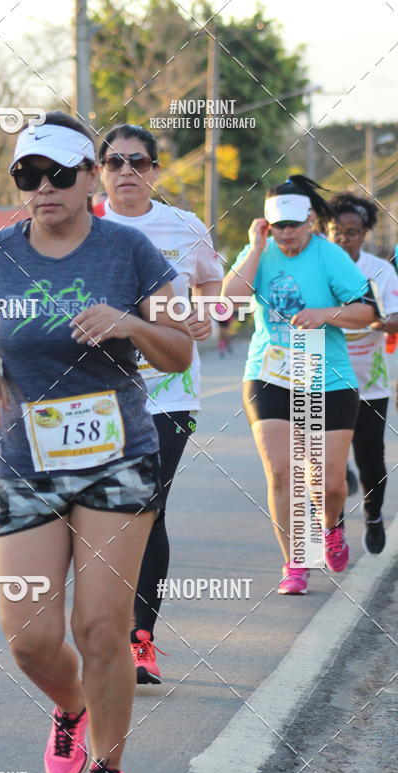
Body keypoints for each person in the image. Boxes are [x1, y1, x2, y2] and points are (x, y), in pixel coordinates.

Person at [0, 112, 192, 773]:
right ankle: (72, 706)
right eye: (28, 175)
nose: (44, 187)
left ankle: (109, 770)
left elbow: (178, 349)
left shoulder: (129, 252)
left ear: (90, 177)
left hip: (118, 456)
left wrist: (131, 324)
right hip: (25, 460)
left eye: (59, 173)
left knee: (99, 627)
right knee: (29, 639)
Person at [97, 123, 223, 683]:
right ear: (98, 172)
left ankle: (139, 638)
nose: (127, 171)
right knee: (105, 514)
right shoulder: (84, 227)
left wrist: (205, 315)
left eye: (138, 162)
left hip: (171, 393)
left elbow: (213, 289)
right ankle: (103, 628)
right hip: (99, 395)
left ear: (154, 170)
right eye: (115, 162)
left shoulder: (185, 227)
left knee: (148, 508)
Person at [223, 175, 375, 595]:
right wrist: (255, 248)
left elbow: (366, 312)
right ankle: (296, 561)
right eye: (278, 226)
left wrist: (325, 314)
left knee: (328, 483)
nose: (286, 233)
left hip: (327, 375)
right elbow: (229, 301)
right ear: (267, 223)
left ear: (310, 220)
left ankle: (330, 526)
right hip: (269, 372)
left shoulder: (329, 256)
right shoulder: (259, 251)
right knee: (281, 471)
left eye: (293, 224)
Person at [328, 192, 398, 553]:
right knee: (328, 464)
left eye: (352, 232)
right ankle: (334, 527)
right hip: (327, 381)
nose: (343, 239)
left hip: (370, 385)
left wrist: (378, 322)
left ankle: (373, 516)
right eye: (336, 232)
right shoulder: (319, 266)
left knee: (371, 461)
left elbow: (396, 318)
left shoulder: (380, 270)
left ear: (364, 233)